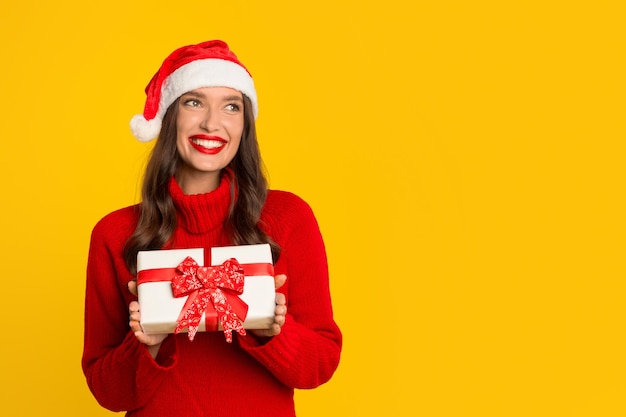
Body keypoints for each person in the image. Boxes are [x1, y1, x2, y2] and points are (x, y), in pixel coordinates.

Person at [82, 40, 342, 417]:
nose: (211, 122)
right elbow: (108, 393)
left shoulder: (289, 217)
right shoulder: (115, 233)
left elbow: (320, 365)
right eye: (194, 102)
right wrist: (147, 344)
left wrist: (274, 330)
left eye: (231, 106)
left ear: (244, 124)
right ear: (170, 115)